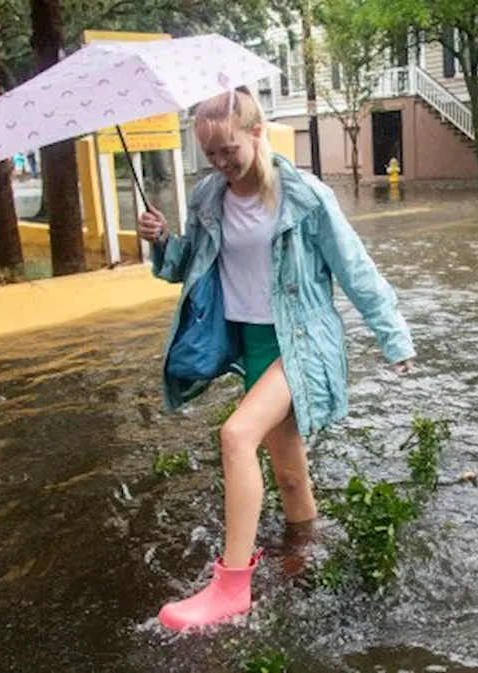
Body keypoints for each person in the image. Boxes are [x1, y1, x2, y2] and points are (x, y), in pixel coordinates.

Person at [138, 86, 415, 631]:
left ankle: (231, 587)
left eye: (229, 151)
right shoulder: (208, 199)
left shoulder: (304, 196)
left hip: (303, 341)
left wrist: (394, 337)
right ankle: (304, 557)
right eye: (210, 154)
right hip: (254, 344)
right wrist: (162, 239)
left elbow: (355, 269)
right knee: (289, 474)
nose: (220, 164)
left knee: (236, 436)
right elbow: (188, 268)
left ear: (257, 134)